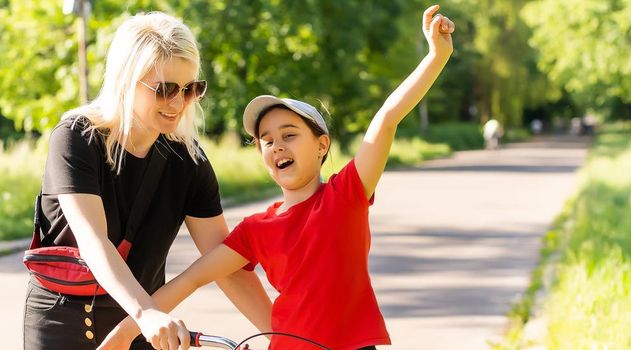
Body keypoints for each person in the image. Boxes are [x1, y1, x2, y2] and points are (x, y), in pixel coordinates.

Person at [101, 5, 456, 350]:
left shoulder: (345, 194)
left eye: (289, 135)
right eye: (266, 141)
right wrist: (126, 331)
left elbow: (386, 119)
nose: (277, 146)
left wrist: (435, 57)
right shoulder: (256, 230)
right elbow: (191, 278)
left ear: (321, 145)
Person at [23, 12, 271, 350]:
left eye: (190, 89)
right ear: (127, 80)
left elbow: (223, 261)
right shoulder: (76, 138)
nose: (178, 103)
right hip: (63, 322)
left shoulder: (188, 161)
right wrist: (147, 312)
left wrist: (283, 334)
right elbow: (95, 243)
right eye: (165, 89)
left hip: (145, 329)